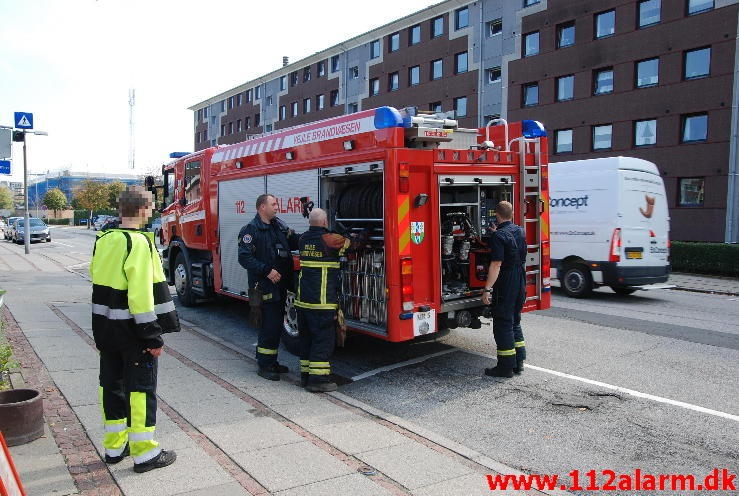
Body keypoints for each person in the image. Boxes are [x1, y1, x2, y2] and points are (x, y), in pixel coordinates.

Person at [89, 186, 180, 473]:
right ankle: (144, 453)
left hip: (105, 328)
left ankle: (114, 448)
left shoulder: (104, 239)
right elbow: (141, 296)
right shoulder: (138, 243)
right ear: (142, 210)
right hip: (132, 333)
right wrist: (152, 335)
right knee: (140, 389)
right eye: (150, 208)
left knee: (111, 386)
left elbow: (96, 276)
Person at [238, 194, 299, 381]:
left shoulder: (277, 226)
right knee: (268, 326)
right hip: (264, 286)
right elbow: (244, 258)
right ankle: (264, 365)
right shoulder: (251, 230)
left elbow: (293, 241)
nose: (276, 207)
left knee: (275, 325)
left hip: (280, 286)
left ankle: (272, 361)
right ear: (262, 207)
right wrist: (266, 270)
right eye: (273, 204)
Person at [295, 208, 349, 392]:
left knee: (307, 340)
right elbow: (353, 243)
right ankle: (318, 381)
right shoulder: (331, 239)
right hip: (322, 301)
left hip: (303, 301)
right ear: (325, 222)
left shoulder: (302, 238)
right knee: (322, 340)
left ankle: (305, 376)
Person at [481, 201, 527, 378]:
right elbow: (512, 244)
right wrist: (496, 234)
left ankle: (505, 368)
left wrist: (487, 289)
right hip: (520, 278)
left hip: (507, 280)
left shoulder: (499, 236)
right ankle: (518, 363)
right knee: (515, 321)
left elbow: (496, 264)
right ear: (512, 214)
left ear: (497, 215)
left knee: (502, 323)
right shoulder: (520, 230)